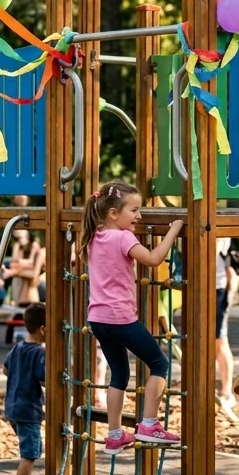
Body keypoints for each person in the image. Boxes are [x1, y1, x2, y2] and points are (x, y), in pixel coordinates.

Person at [81, 180, 183, 453]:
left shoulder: (93, 236)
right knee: (159, 364)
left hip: (98, 319)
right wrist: (173, 231)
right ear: (114, 213)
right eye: (134, 210)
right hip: (121, 318)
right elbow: (152, 259)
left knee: (119, 374)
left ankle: (115, 434)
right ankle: (149, 424)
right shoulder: (123, 237)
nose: (139, 216)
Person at [4, 302, 46, 475]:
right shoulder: (39, 352)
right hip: (29, 410)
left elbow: (5, 369)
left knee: (32, 449)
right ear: (43, 330)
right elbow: (45, 378)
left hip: (13, 407)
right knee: (29, 454)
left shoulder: (18, 347)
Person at [215, 238, 239, 423]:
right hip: (210, 285)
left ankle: (226, 391)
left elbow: (212, 252)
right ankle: (223, 389)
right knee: (213, 340)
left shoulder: (219, 232)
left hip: (218, 287)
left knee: (220, 340)